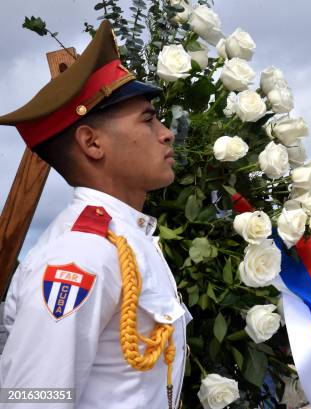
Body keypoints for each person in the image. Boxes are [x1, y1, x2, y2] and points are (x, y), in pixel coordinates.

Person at [0, 21, 190, 409]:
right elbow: (34, 400)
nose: (166, 132)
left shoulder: (122, 239)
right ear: (92, 143)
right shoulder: (81, 256)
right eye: (148, 119)